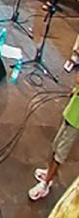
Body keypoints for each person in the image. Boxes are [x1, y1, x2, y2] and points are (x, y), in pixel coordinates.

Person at [28, 72, 79, 202]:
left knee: (60, 154)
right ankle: (49, 173)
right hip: (70, 113)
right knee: (56, 146)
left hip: (76, 122)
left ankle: (45, 185)